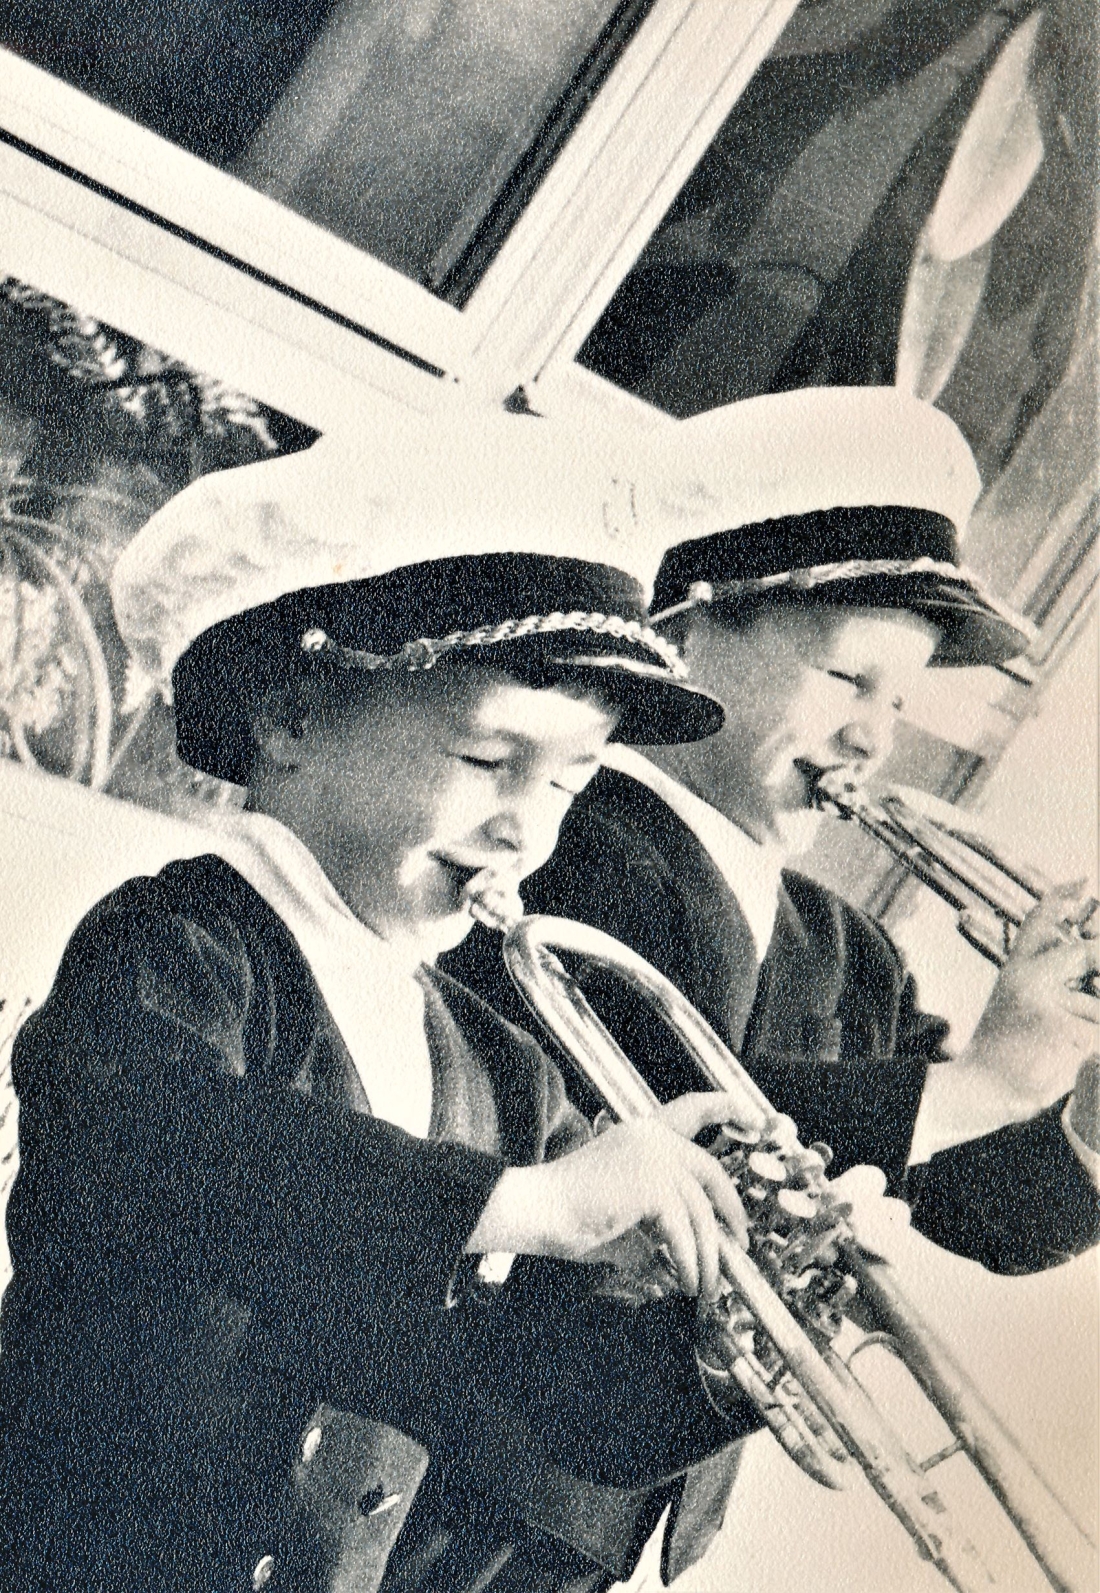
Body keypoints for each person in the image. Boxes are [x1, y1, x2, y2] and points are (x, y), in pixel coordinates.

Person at [0, 435, 790, 1593]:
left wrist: (726, 1335)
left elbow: (559, 1407)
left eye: (570, 783)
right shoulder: (182, 942)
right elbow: (156, 1142)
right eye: (486, 757)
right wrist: (530, 1204)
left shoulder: (503, 1068)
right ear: (292, 723)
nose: (528, 828)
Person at [447, 387, 1100, 1585]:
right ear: (683, 637)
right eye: (849, 681)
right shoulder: (563, 838)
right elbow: (645, 1097)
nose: (873, 740)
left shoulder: (847, 947)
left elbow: (982, 1214)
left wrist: (1076, 1106)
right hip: (455, 1454)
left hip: (621, 1504)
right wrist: (977, 1080)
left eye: (898, 704)